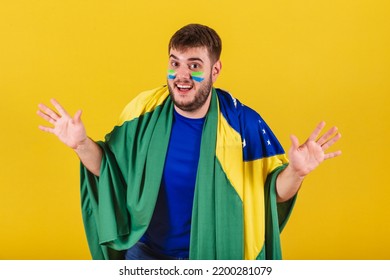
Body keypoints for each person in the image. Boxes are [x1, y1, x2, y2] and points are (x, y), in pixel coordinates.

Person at [37, 24, 341, 260]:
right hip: (146, 255)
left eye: (194, 65)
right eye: (175, 63)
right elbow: (110, 171)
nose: (181, 75)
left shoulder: (242, 123)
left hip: (217, 256)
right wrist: (80, 144)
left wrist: (297, 172)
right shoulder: (144, 111)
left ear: (215, 70)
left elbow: (273, 193)